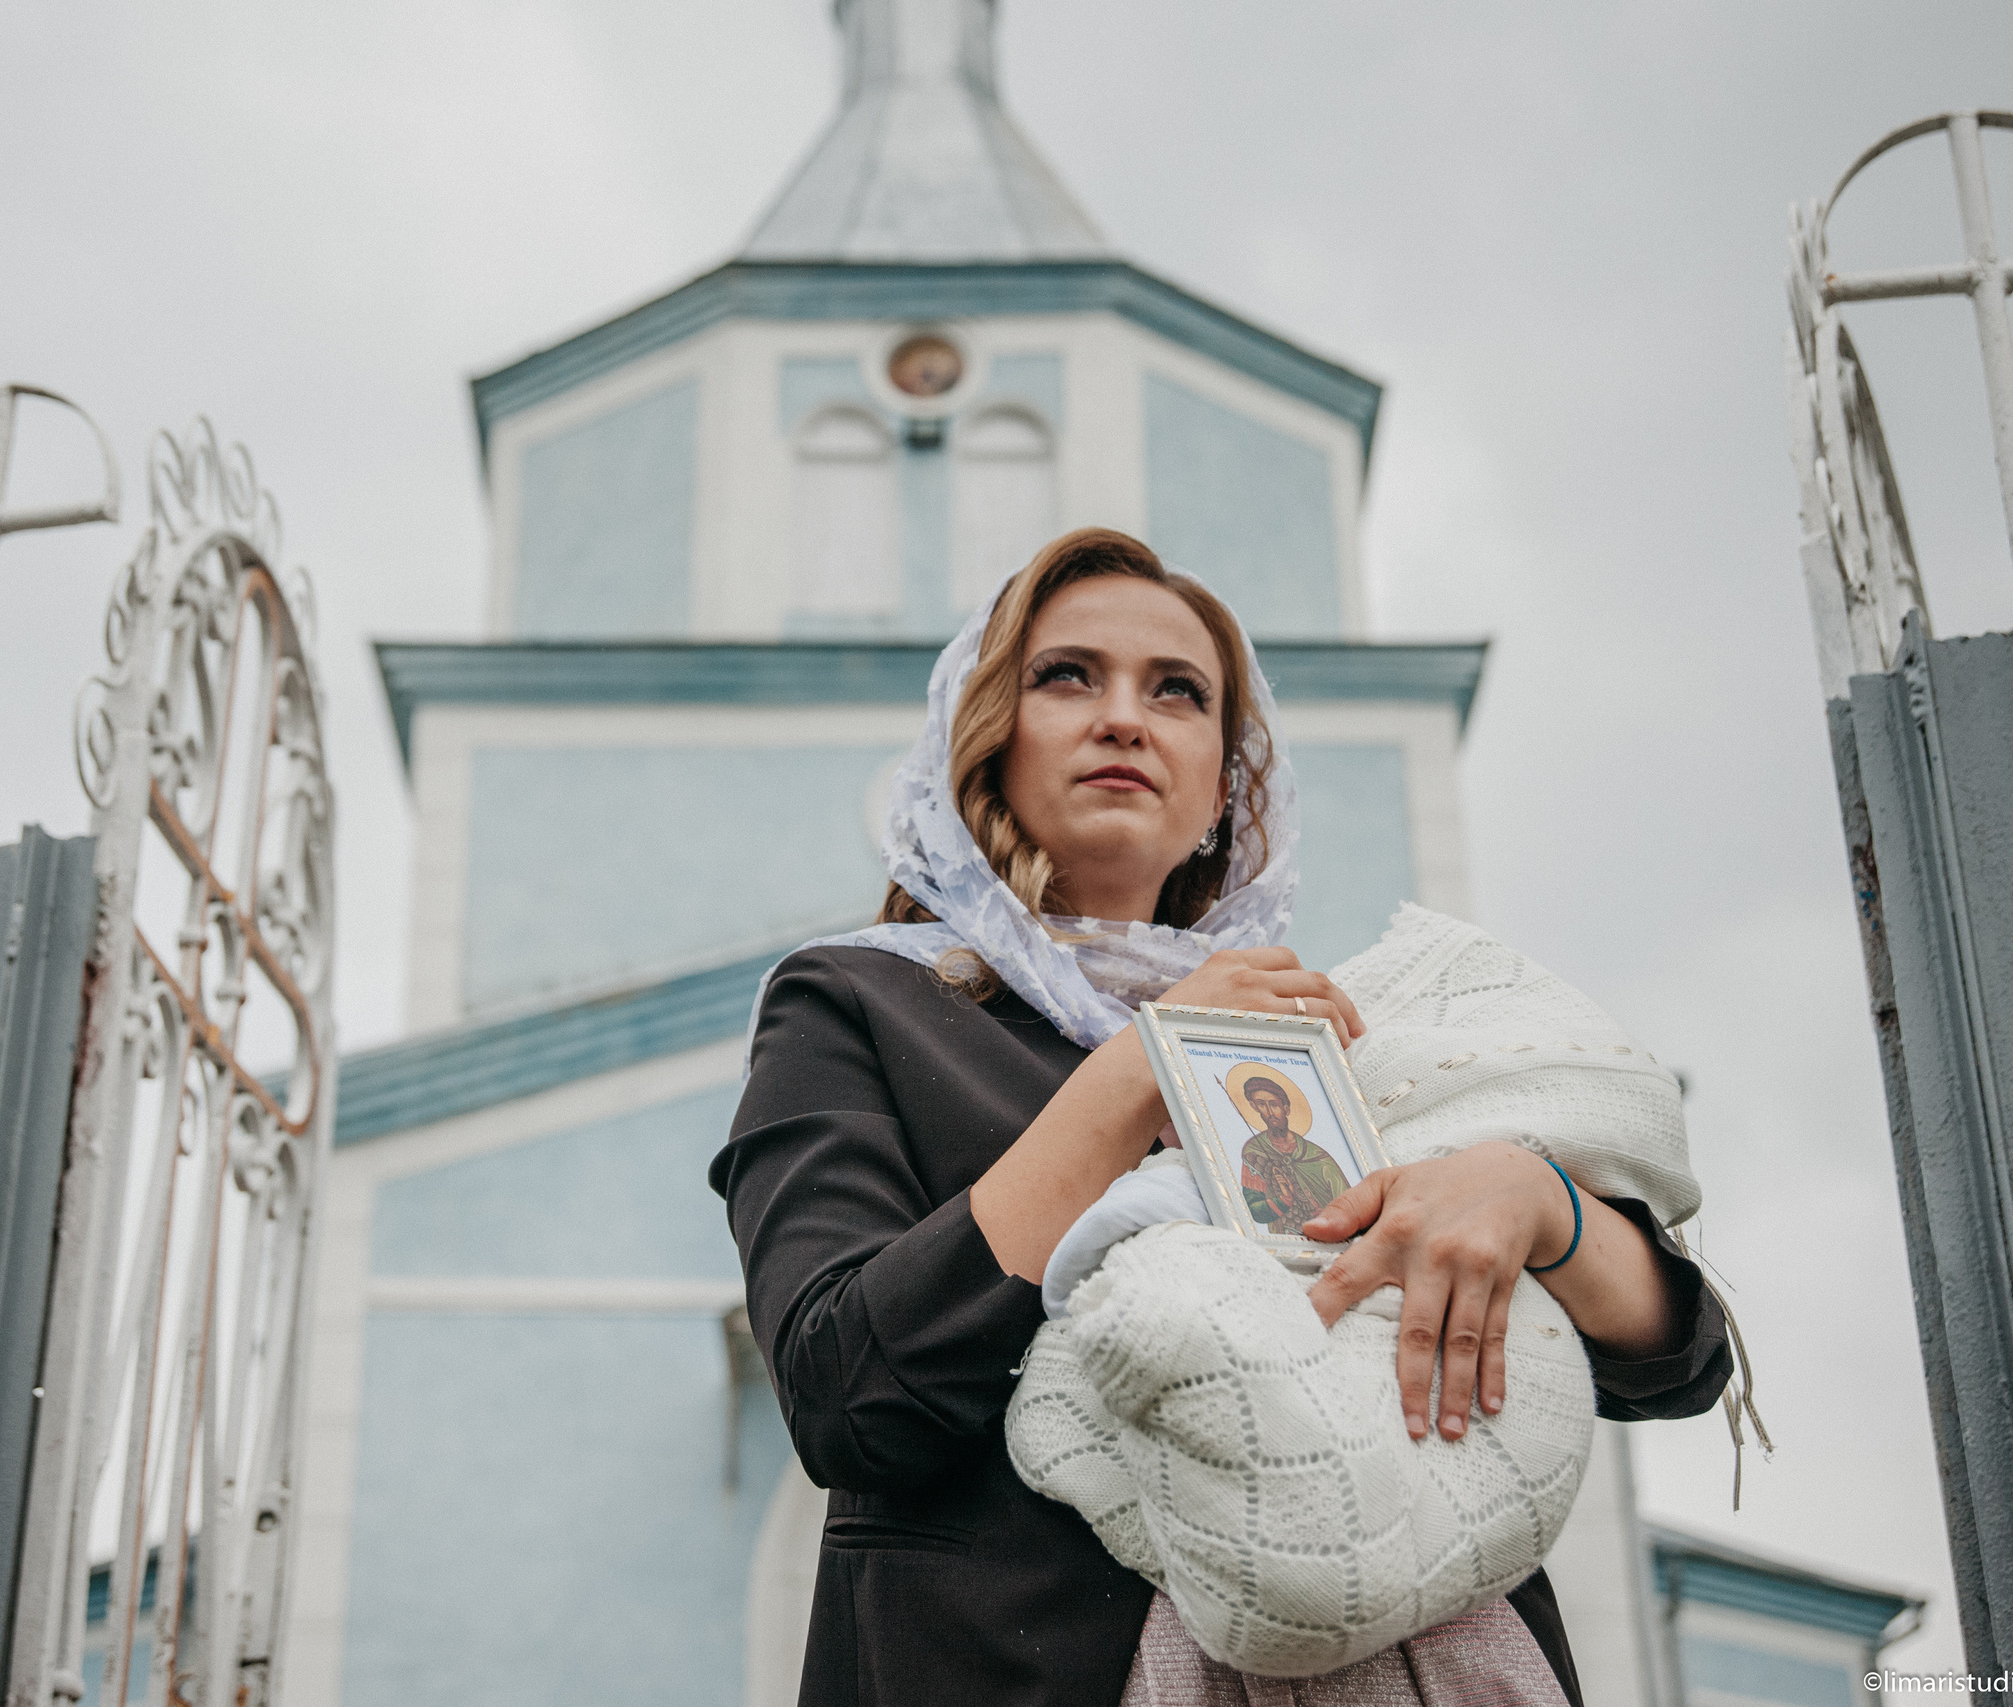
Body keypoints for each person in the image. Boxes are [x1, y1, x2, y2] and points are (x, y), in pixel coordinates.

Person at [710, 528, 1731, 1707]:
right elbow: (848, 1394)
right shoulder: (854, 1001)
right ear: (981, 747)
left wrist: (1540, 1205)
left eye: (1178, 693)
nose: (1125, 718)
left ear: (1220, 793)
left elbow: (1675, 1363)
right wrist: (1140, 1066)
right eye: (1066, 676)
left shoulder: (1329, 1030)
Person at [1235, 1075, 1348, 1231]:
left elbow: (1350, 1204)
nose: (1269, 1112)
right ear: (1254, 1107)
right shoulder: (1255, 1153)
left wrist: (1330, 1214)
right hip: (1284, 1241)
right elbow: (1254, 1209)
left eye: (1274, 1105)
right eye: (1261, 1104)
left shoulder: (1317, 1156)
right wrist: (1284, 1200)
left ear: (1286, 1109)